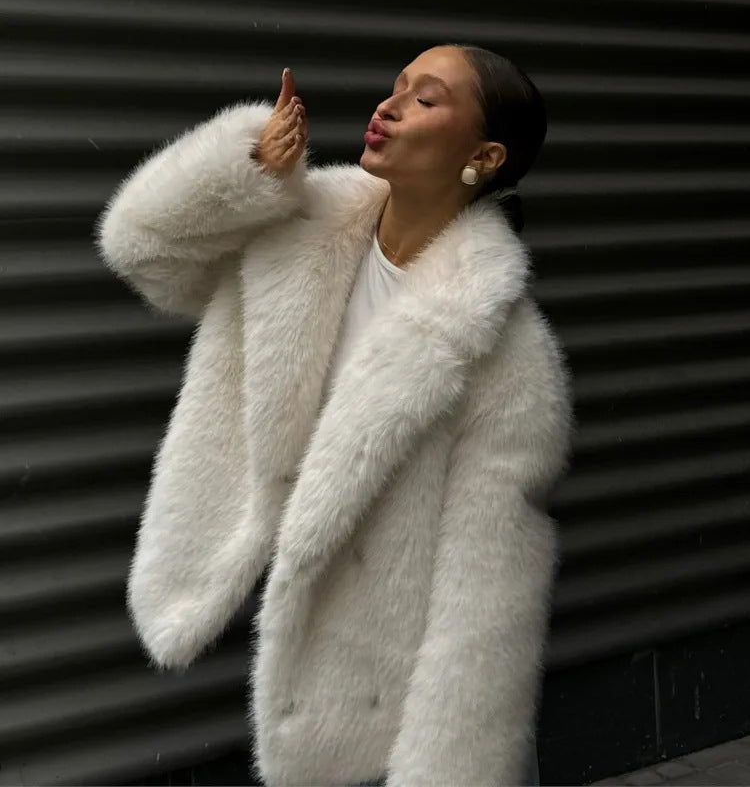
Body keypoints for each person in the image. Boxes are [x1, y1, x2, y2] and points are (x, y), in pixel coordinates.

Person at [96, 44, 574, 787]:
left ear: (482, 155)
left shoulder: (506, 357)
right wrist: (246, 171)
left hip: (391, 710)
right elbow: (143, 253)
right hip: (265, 625)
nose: (388, 106)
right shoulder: (298, 222)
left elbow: (485, 608)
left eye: (426, 99)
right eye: (396, 87)